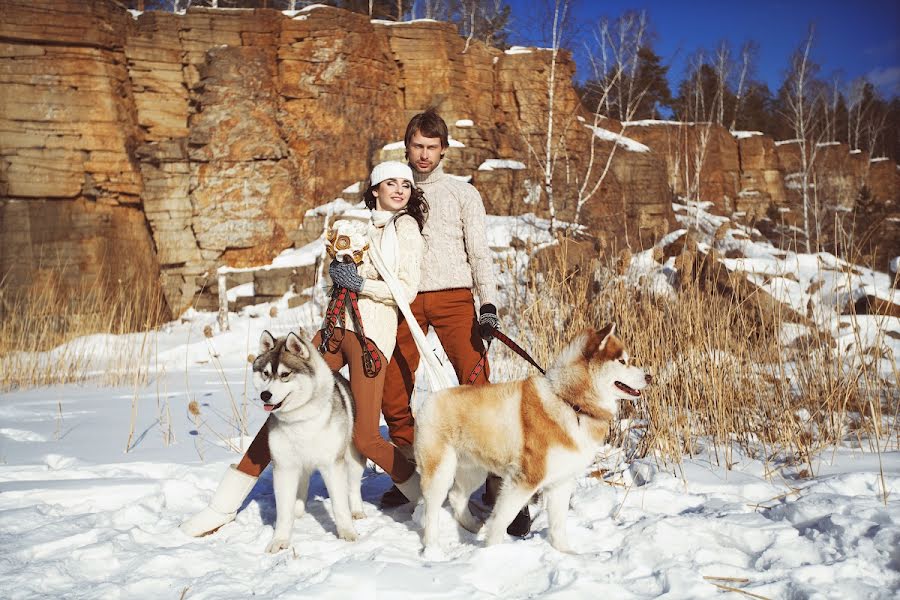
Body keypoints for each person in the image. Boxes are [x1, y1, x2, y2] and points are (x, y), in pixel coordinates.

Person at [180, 161, 431, 537]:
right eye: (390, 183)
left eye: (406, 185)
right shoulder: (351, 224)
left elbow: (406, 291)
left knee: (365, 437)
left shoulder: (406, 228)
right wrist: (337, 275)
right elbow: (335, 279)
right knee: (279, 411)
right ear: (375, 189)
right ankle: (223, 505)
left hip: (372, 338)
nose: (399, 190)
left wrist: (359, 282)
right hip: (333, 331)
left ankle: (422, 496)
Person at [377, 109, 532, 537]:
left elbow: (480, 254)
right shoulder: (395, 191)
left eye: (431, 147)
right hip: (404, 302)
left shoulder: (463, 194)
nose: (423, 155)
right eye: (417, 146)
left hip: (454, 299)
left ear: (444, 149)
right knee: (393, 383)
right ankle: (410, 474)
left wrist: (489, 305)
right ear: (406, 147)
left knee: (479, 387)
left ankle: (499, 486)